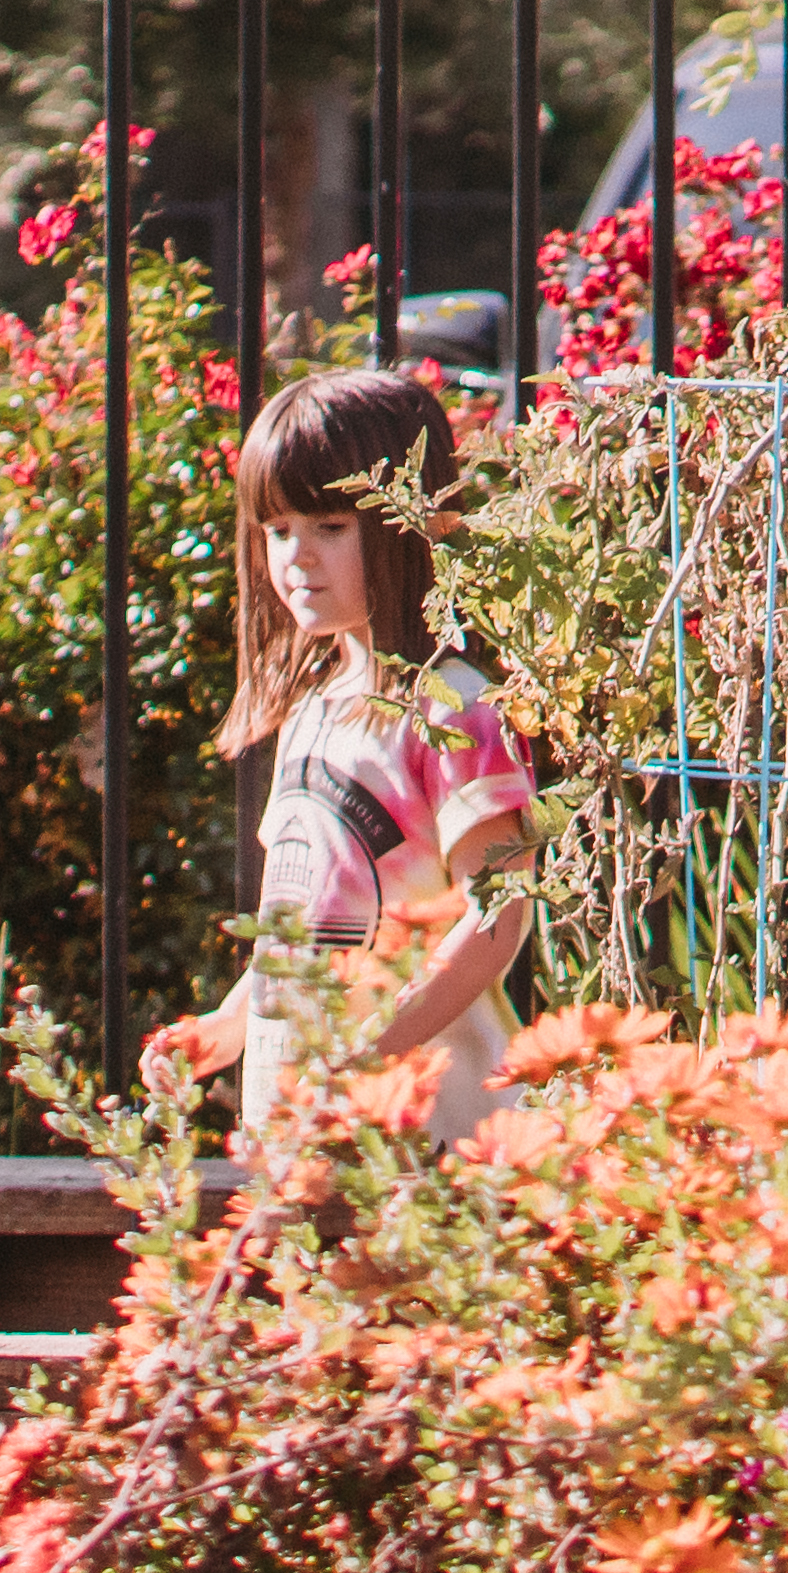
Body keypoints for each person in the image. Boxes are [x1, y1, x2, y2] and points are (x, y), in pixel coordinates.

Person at [221, 359, 542, 1149]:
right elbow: (298, 928)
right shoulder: (312, 715)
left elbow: (497, 916)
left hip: (433, 1140)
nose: (297, 557)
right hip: (311, 1127)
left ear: (413, 521)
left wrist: (373, 1055)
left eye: (330, 528)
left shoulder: (454, 708)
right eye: (279, 529)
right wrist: (226, 1027)